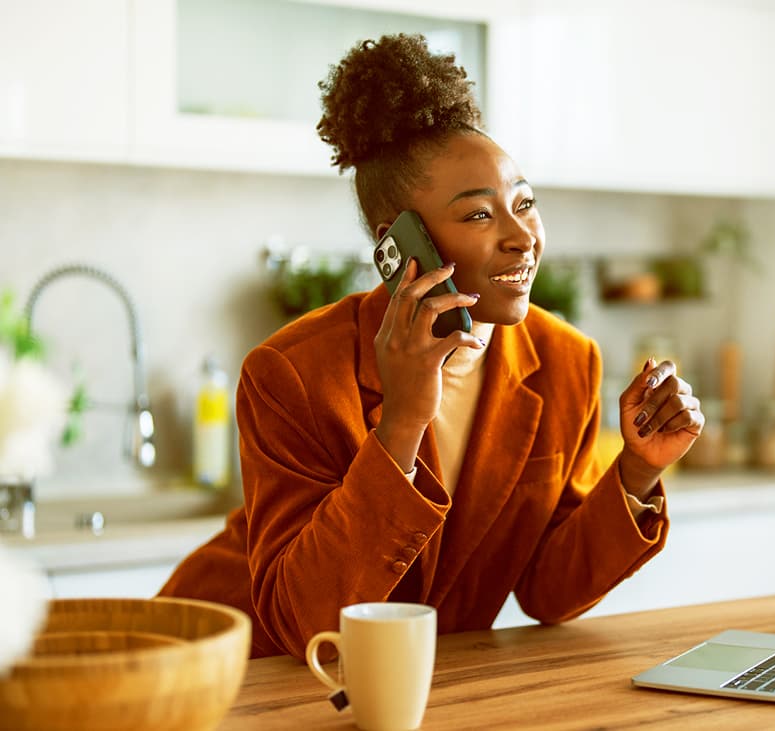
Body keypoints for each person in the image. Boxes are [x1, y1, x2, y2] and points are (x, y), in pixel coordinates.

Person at [159, 33, 704, 660]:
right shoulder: (292, 373)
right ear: (402, 245)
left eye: (524, 203)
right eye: (478, 216)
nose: (521, 237)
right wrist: (405, 420)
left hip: (409, 690)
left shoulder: (564, 361)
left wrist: (637, 471)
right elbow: (303, 622)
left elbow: (547, 592)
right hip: (236, 673)